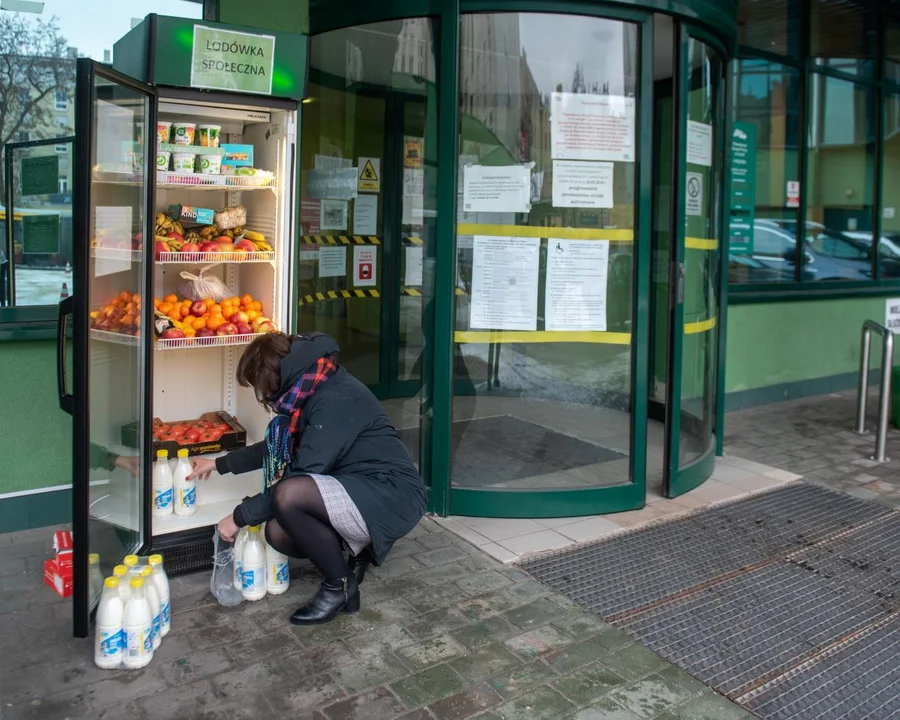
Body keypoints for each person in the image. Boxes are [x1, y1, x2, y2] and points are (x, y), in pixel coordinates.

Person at [189, 331, 426, 625]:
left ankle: (339, 587)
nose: (264, 398)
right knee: (277, 532)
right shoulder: (314, 385)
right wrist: (219, 464)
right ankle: (358, 550)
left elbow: (301, 476)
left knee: (288, 495)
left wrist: (238, 517)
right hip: (356, 488)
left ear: (276, 379)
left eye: (261, 388)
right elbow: (277, 446)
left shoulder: (335, 399)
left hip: (392, 494)